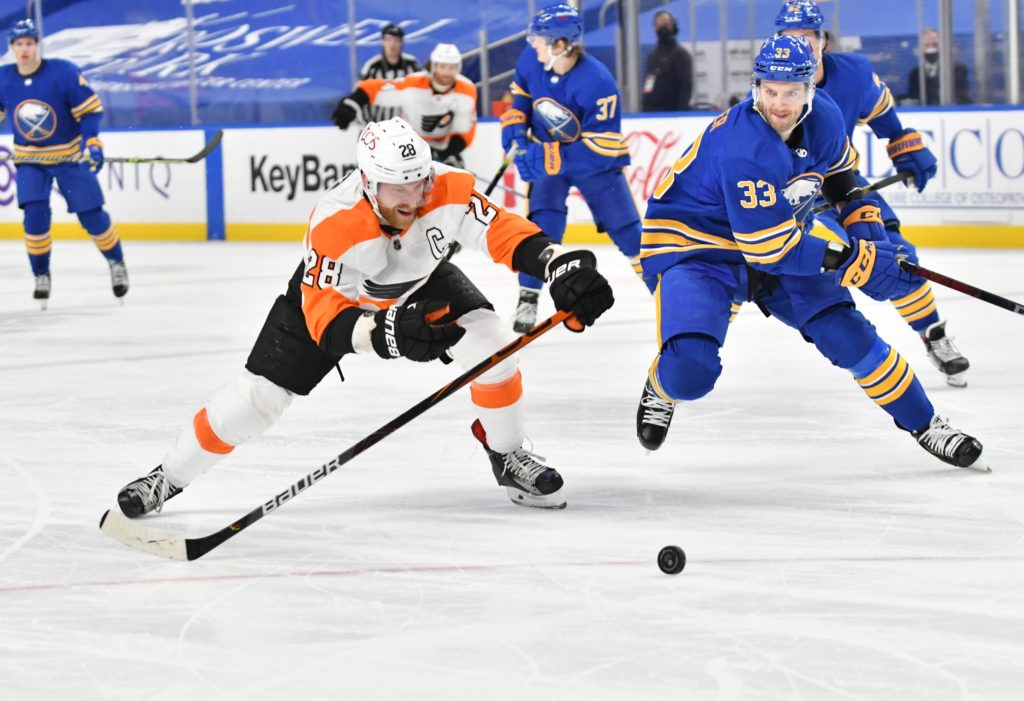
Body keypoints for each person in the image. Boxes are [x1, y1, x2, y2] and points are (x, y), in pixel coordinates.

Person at [114, 117, 615, 518]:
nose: (414, 198)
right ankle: (168, 477)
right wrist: (385, 334)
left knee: (495, 346)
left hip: (420, 282)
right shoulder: (336, 222)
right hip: (332, 305)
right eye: (399, 189)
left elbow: (503, 231)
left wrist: (558, 263)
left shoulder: (449, 188)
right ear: (369, 183)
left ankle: (506, 453)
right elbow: (328, 319)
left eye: (419, 183)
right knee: (256, 401)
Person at [633, 34, 985, 473]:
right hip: (697, 249)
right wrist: (856, 262)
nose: (779, 104)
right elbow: (771, 251)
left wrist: (871, 239)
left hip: (777, 238)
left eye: (791, 93)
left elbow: (840, 177)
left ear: (810, 90)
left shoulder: (826, 115)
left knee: (849, 335)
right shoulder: (744, 148)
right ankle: (661, 386)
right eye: (770, 91)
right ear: (756, 88)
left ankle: (927, 424)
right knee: (690, 372)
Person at [775, 0, 969, 387]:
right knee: (744, 269)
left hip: (840, 181)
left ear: (823, 40)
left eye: (807, 37)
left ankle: (933, 334)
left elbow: (885, 119)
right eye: (789, 38)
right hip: (787, 190)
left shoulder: (855, 74)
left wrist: (903, 144)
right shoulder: (773, 86)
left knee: (896, 254)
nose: (800, 45)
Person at [502, 3, 656, 334]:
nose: (534, 45)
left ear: (560, 45)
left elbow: (603, 149)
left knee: (627, 229)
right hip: (550, 155)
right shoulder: (531, 60)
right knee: (541, 228)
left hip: (592, 165)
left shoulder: (598, 82)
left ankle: (663, 293)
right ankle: (528, 296)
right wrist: (514, 125)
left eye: (541, 39)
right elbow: (521, 99)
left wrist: (549, 157)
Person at [0, 19, 127, 309]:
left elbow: (90, 111)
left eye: (29, 43)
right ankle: (41, 275)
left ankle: (116, 262)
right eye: (19, 44)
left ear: (37, 45)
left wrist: (92, 142)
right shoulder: (3, 78)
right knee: (34, 216)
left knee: (91, 215)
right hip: (30, 160)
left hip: (69, 156)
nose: (24, 49)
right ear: (12, 47)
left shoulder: (64, 72)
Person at [332, 43, 475, 168]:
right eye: (442, 66)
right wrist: (353, 102)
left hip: (444, 149)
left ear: (458, 68)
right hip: (410, 146)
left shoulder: (467, 91)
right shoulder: (413, 85)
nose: (447, 73)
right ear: (433, 66)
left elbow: (464, 130)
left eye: (452, 67)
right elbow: (376, 88)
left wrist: (449, 153)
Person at [356, 23, 422, 123]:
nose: (392, 44)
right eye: (389, 39)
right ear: (382, 41)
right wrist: (366, 124)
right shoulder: (372, 66)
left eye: (396, 40)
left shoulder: (412, 64)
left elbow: (422, 92)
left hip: (406, 126)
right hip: (377, 124)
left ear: (402, 42)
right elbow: (360, 94)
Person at [641, 11, 693, 112]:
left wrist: (681, 113)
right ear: (654, 29)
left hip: (673, 111)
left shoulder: (681, 54)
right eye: (659, 25)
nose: (663, 29)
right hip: (652, 111)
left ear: (673, 27)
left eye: (666, 25)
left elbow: (686, 88)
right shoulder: (652, 55)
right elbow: (649, 83)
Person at [905, 28, 971, 106]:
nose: (931, 49)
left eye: (935, 45)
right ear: (921, 48)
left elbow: (960, 97)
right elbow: (913, 99)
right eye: (927, 46)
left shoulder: (957, 69)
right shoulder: (915, 74)